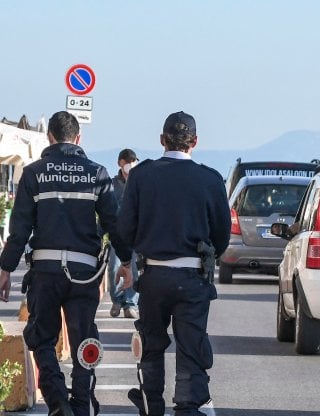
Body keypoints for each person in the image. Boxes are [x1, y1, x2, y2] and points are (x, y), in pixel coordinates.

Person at [0, 111, 133, 416]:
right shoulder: (96, 174)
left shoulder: (33, 174)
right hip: (85, 273)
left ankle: (58, 401)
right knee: (85, 338)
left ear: (50, 137)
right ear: (78, 138)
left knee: (42, 337)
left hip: (45, 272)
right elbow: (113, 223)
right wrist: (126, 262)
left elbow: (19, 229)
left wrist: (6, 269)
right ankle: (82, 404)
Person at [116, 111, 231, 416]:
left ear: (162, 140)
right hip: (193, 277)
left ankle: (151, 404)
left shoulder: (142, 175)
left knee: (152, 345)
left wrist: (127, 261)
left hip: (153, 275)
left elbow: (125, 227)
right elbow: (221, 235)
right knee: (191, 348)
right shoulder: (210, 179)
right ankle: (187, 407)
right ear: (195, 142)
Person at [108, 148, 140, 319]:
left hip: (136, 234)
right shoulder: (113, 184)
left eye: (133, 161)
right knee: (114, 268)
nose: (131, 164)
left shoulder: (139, 182)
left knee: (134, 269)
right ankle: (116, 300)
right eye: (128, 161)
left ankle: (131, 303)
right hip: (117, 234)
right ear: (120, 163)